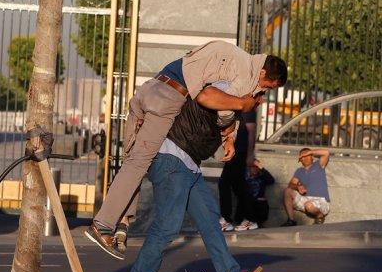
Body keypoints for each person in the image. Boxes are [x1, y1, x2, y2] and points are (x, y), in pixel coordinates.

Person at [86, 40, 288, 259]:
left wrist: (230, 132)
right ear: (262, 73)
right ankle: (103, 224)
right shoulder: (246, 76)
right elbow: (214, 103)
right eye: (267, 86)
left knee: (132, 162)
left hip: (150, 88)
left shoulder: (236, 55)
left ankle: (122, 224)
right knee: (138, 163)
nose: (263, 91)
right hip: (169, 98)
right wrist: (238, 114)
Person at [123, 90, 263, 272]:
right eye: (260, 96)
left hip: (189, 164)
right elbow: (208, 103)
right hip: (172, 159)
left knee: (209, 219)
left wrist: (231, 139)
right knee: (167, 225)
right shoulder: (222, 87)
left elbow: (224, 126)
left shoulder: (232, 100)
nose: (260, 102)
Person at [218, 109, 257, 232]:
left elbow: (251, 132)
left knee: (224, 183)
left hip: (240, 152)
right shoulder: (235, 109)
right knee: (239, 187)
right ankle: (248, 218)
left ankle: (227, 219)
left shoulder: (247, 109)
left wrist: (250, 154)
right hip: (235, 151)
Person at [282, 148, 331, 226]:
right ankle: (291, 220)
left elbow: (326, 152)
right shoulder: (299, 171)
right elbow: (291, 184)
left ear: (312, 157)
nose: (304, 157)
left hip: (320, 201)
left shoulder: (318, 165)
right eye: (302, 156)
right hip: (305, 199)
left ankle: (319, 216)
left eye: (306, 155)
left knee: (308, 205)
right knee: (287, 191)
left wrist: (310, 151)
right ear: (300, 160)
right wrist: (297, 187)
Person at [234, 159, 275, 230]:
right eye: (253, 167)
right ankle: (247, 221)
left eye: (257, 167)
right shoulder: (244, 178)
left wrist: (261, 167)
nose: (255, 169)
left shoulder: (262, 178)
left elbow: (271, 180)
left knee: (254, 199)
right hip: (246, 208)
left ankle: (252, 222)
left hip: (259, 208)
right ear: (248, 168)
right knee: (244, 196)